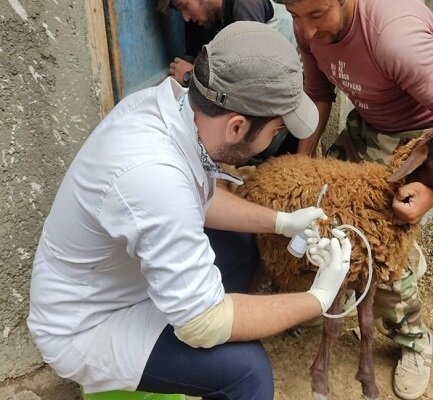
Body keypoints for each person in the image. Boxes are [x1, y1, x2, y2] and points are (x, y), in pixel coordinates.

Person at [27, 22, 352, 399]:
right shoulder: (153, 177)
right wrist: (317, 298)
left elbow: (200, 199)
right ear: (237, 126)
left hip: (116, 280)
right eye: (277, 130)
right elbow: (202, 324)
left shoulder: (169, 109)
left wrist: (280, 222)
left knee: (242, 245)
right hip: (88, 323)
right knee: (247, 374)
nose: (277, 139)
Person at [273, 0, 433, 398]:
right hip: (367, 126)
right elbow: (318, 93)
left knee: (379, 256)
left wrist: (431, 193)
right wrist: (300, 170)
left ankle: (414, 341)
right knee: (316, 211)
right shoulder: (307, 21)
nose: (306, 31)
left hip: (420, 140)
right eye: (296, 16)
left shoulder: (394, 36)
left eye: (317, 15)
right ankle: (324, 298)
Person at [157, 0, 295, 87]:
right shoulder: (217, 18)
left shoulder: (245, 5)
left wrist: (190, 77)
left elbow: (247, 81)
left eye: (185, 7)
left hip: (291, 89)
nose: (186, 18)